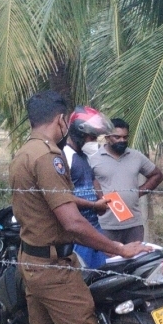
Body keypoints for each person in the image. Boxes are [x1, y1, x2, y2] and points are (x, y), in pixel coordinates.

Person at [9, 90, 150, 324]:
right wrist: (120, 249)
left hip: (31, 262)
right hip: (54, 269)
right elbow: (69, 222)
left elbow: (55, 203)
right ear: (60, 121)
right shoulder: (50, 157)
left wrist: (92, 204)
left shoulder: (24, 153)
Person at [90, 118, 163, 243]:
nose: (122, 141)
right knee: (108, 261)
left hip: (134, 224)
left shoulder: (136, 156)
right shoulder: (93, 159)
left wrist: (138, 192)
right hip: (105, 225)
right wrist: (98, 197)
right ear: (107, 137)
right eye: (117, 137)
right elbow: (87, 183)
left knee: (135, 260)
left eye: (125, 137)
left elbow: (157, 175)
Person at [63, 106, 113, 269]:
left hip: (93, 227)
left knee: (101, 275)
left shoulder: (85, 157)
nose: (94, 142)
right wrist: (93, 205)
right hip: (78, 232)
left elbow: (92, 180)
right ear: (79, 134)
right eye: (92, 137)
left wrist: (101, 199)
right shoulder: (65, 157)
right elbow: (62, 198)